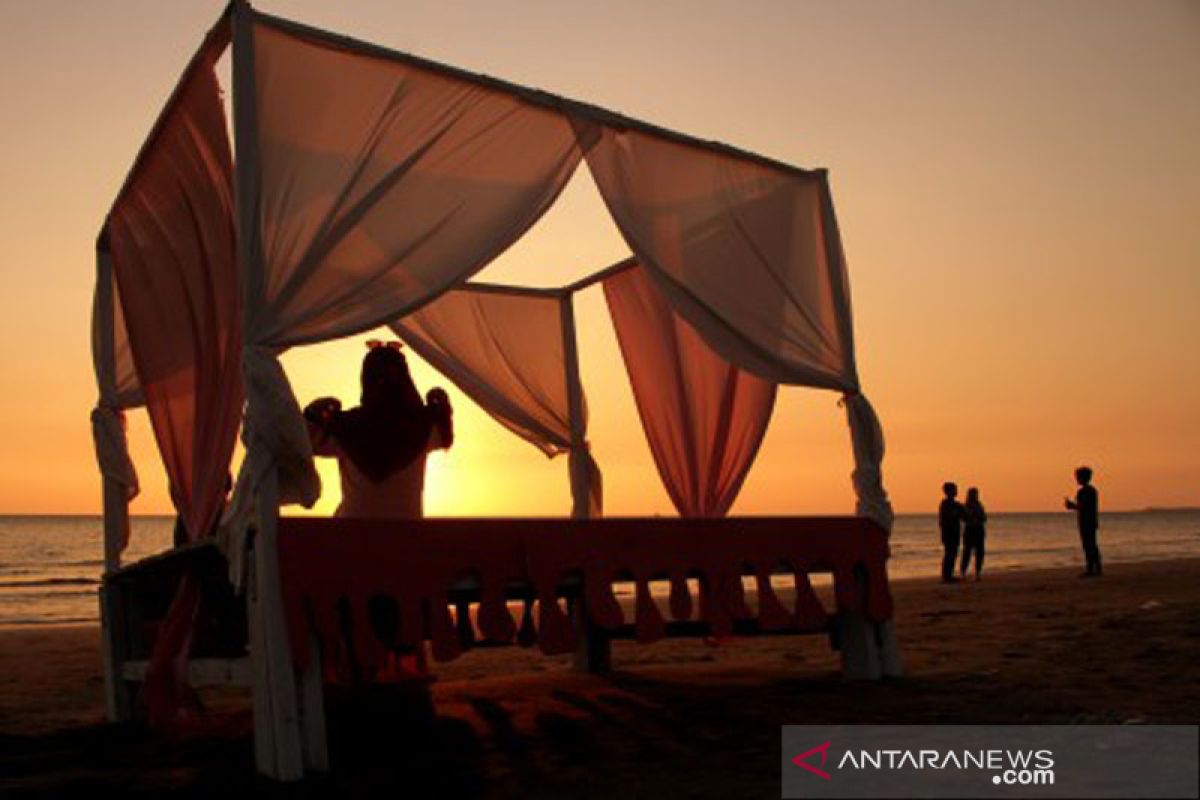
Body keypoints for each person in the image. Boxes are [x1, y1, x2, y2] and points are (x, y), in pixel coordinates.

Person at [304, 340, 453, 519]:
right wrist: (440, 407)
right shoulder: (424, 425)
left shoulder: (345, 426)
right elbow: (445, 435)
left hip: (351, 535)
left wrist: (314, 412)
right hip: (407, 536)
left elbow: (303, 441)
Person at [1065, 466, 1102, 577]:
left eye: (1078, 477)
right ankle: (1096, 568)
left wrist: (1072, 506)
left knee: (1088, 545)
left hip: (1086, 521)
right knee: (1092, 544)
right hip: (1090, 520)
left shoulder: (1085, 491)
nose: (1076, 479)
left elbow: (1084, 506)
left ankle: (1091, 568)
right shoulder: (1092, 491)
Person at [938, 481, 964, 583]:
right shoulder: (945, 504)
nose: (956, 491)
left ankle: (949, 574)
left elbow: (964, 514)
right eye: (954, 490)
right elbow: (945, 518)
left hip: (954, 532)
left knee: (953, 553)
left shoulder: (956, 504)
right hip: (948, 532)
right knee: (949, 553)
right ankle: (946, 576)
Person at [960, 487, 987, 581]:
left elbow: (984, 517)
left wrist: (979, 518)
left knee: (980, 552)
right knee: (967, 552)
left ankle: (978, 572)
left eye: (976, 494)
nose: (976, 496)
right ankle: (963, 572)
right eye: (974, 494)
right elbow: (963, 518)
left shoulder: (979, 505)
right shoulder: (966, 506)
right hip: (970, 529)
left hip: (979, 529)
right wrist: (972, 517)